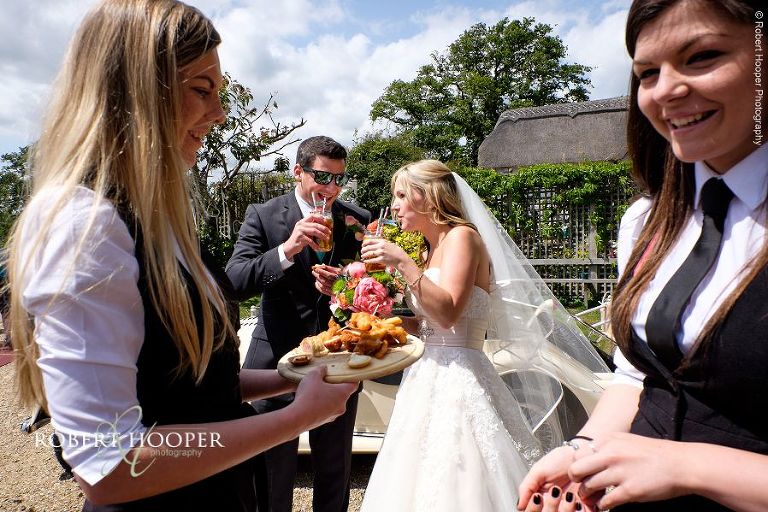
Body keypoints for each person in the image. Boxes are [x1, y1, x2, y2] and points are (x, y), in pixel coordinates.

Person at [4, 1, 357, 510]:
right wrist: (295, 418)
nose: (219, 114)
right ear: (133, 92)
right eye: (201, 90)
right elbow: (110, 463)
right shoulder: (85, 226)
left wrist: (292, 376)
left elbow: (188, 386)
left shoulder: (153, 219)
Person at [518, 1, 767, 511]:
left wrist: (689, 465)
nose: (667, 90)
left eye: (703, 56)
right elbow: (639, 376)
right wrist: (583, 450)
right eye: (647, 72)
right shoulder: (647, 220)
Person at [358, 160, 608, 511]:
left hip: (461, 377)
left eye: (401, 195)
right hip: (426, 374)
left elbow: (449, 313)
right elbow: (429, 324)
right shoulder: (429, 249)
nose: (395, 206)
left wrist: (402, 263)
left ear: (427, 196)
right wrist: (382, 318)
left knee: (467, 476)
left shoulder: (463, 237)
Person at [226, 135, 371, 512]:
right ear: (298, 171)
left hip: (338, 360)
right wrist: (286, 251)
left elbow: (371, 292)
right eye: (323, 177)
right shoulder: (263, 214)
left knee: (335, 467)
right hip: (275, 357)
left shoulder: (359, 219)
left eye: (340, 179)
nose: (332, 188)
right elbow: (234, 282)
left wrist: (342, 286)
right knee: (272, 473)